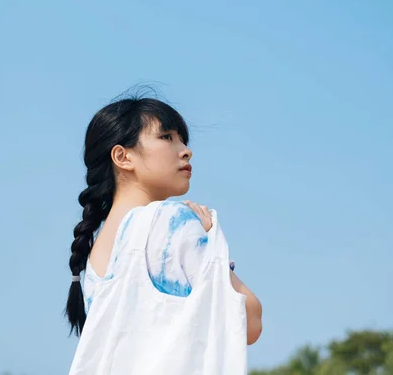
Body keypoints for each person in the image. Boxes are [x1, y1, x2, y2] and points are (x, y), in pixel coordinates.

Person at [66, 96, 262, 374]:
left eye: (183, 140)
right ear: (123, 156)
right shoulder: (170, 220)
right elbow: (250, 322)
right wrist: (213, 251)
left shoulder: (96, 251)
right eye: (167, 137)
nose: (186, 151)